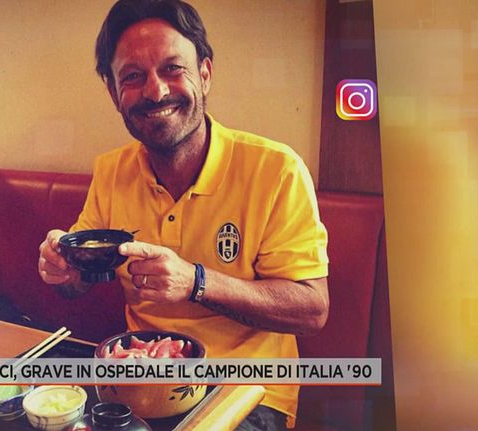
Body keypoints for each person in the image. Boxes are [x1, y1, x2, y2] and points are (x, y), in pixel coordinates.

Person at [38, 1, 329, 429]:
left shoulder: (276, 170)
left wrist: (196, 282)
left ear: (205, 74)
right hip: (136, 382)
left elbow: (312, 310)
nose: (155, 91)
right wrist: (64, 269)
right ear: (113, 91)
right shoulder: (112, 171)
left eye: (172, 69)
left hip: (245, 393)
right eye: (132, 76)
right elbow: (79, 280)